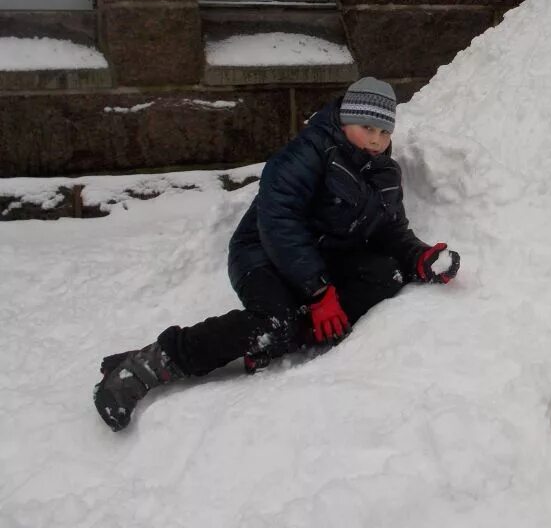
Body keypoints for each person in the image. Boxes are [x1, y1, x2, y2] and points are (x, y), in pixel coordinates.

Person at [93, 77, 461, 431]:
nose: (376, 140)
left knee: (386, 274)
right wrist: (319, 292)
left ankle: (281, 339)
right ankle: (148, 365)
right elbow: (279, 223)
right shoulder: (308, 153)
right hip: (263, 252)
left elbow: (390, 230)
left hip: (319, 260)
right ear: (346, 119)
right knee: (274, 320)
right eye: (367, 128)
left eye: (384, 131)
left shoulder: (384, 173)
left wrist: (420, 258)